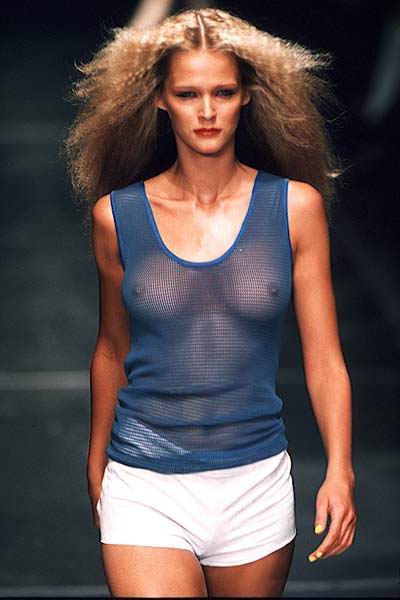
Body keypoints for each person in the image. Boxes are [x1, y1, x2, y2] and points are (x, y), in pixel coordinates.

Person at [63, 7, 357, 598]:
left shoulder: (295, 209)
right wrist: (97, 462)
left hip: (255, 482)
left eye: (222, 92)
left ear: (247, 95)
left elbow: (325, 358)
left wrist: (340, 470)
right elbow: (112, 349)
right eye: (187, 93)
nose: (206, 111)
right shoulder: (117, 217)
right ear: (159, 100)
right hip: (144, 481)